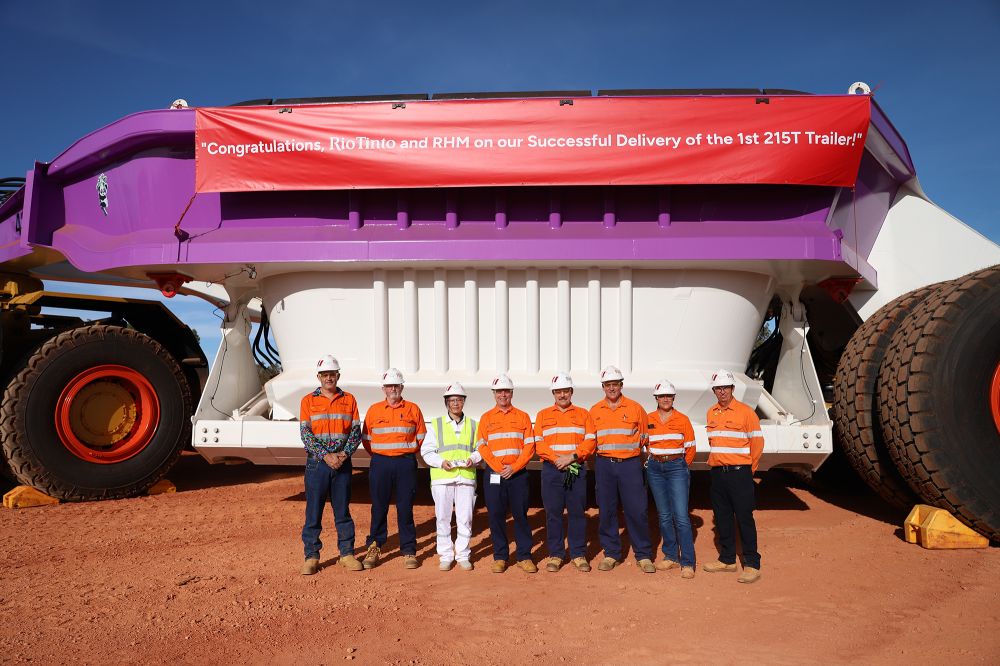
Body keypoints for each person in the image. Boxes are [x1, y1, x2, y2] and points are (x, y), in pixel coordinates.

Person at [299, 355, 363, 575]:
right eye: (325, 375)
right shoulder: (308, 401)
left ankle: (347, 554)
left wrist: (342, 455)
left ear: (338, 376)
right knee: (313, 512)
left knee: (342, 511)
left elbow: (355, 432)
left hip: (342, 464)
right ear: (319, 377)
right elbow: (305, 434)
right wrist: (326, 456)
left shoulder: (349, 399)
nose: (329, 378)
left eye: (332, 374)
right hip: (317, 464)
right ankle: (311, 556)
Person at [589, 365, 655, 573]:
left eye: (615, 384)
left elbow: (645, 438)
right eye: (608, 385)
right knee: (607, 510)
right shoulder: (595, 411)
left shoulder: (635, 408)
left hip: (630, 465)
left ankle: (643, 555)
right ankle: (611, 553)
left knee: (637, 510)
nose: (611, 388)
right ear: (603, 387)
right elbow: (591, 441)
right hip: (604, 465)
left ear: (621, 385)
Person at [361, 368, 427, 570]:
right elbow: (366, 439)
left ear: (402, 387)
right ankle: (374, 546)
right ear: (384, 389)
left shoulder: (413, 409)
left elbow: (421, 437)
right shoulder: (374, 410)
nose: (392, 389)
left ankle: (409, 550)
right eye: (389, 386)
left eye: (396, 386)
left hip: (405, 463)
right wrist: (381, 454)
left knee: (405, 507)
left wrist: (405, 452)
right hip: (380, 463)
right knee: (378, 507)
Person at [703, 369, 764, 584]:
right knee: (722, 517)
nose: (722, 391)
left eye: (726, 388)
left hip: (740, 474)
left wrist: (748, 470)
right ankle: (727, 560)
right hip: (718, 473)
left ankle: (752, 564)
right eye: (718, 388)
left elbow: (757, 444)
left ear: (732, 389)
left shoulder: (746, 413)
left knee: (744, 518)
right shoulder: (711, 413)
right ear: (714, 391)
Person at [534, 373, 596, 572]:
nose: (562, 395)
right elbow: (539, 443)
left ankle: (578, 554)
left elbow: (590, 441)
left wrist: (571, 457)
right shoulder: (543, 415)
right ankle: (556, 554)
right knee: (553, 514)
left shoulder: (583, 414)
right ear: (553, 393)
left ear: (571, 392)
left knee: (577, 512)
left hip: (575, 468)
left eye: (565, 391)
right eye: (558, 391)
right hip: (552, 470)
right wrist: (557, 459)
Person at [476, 374, 536, 574]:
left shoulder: (523, 417)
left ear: (512, 393)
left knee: (520, 515)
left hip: (517, 474)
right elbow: (482, 446)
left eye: (506, 391)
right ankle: (500, 557)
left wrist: (514, 467)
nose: (503, 395)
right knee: (496, 515)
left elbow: (529, 446)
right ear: (494, 394)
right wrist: (498, 467)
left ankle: (524, 556)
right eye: (499, 391)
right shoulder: (486, 418)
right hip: (495, 473)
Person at [420, 382, 481, 571]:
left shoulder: (473, 425)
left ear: (464, 402)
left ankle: (463, 555)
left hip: (465, 477)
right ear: (446, 402)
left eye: (459, 400)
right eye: (452, 400)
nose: (455, 403)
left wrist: (473, 459)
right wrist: (441, 462)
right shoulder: (436, 424)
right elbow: (426, 451)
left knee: (465, 519)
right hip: (442, 478)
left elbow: (481, 449)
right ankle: (446, 555)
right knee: (443, 518)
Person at [645, 379, 697, 579]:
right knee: (664, 515)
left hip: (676, 468)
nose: (665, 399)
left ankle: (688, 562)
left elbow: (690, 447)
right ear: (656, 398)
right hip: (655, 469)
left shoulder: (683, 419)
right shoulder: (648, 419)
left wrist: (681, 466)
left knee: (681, 517)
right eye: (662, 396)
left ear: (674, 398)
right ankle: (671, 556)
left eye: (669, 396)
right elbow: (644, 442)